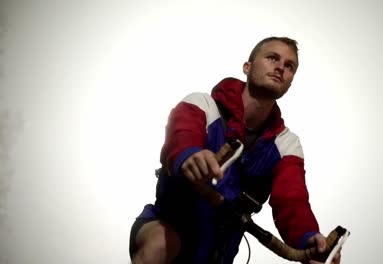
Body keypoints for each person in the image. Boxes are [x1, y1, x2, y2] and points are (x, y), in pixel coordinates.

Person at [129, 36, 342, 264]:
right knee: (160, 244)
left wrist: (308, 238)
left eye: (289, 66)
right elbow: (181, 134)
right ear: (247, 67)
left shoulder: (287, 145)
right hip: (164, 228)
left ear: (291, 81)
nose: (281, 67)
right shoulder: (202, 105)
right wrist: (189, 155)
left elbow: (292, 199)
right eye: (272, 58)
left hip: (217, 256)